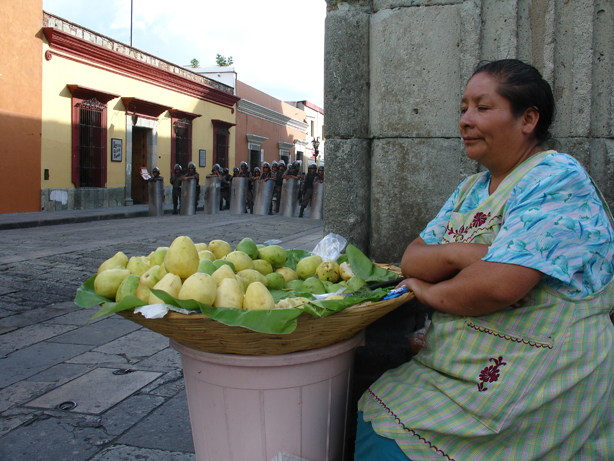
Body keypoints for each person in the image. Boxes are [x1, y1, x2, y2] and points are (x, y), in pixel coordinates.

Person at [356, 59, 614, 460]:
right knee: (378, 410)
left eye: (482, 107)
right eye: (463, 108)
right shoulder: (469, 190)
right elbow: (413, 259)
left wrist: (428, 289)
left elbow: (497, 286)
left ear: (528, 119)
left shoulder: (557, 176)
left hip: (538, 361)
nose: (465, 120)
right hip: (461, 356)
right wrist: (469, 254)